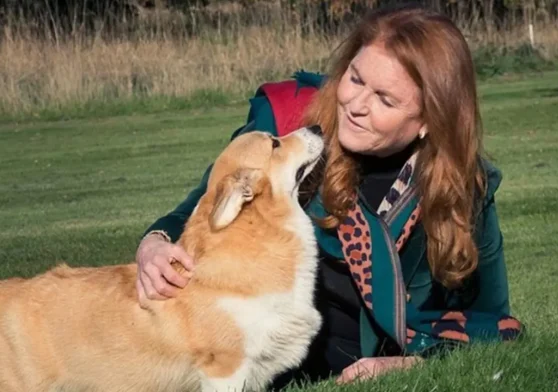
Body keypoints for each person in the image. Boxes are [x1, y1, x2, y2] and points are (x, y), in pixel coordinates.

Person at [134, 3, 524, 388]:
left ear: (428, 121)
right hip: (267, 364)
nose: (355, 105)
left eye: (385, 100)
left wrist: (410, 365)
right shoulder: (287, 128)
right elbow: (203, 203)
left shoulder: (463, 186)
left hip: (376, 365)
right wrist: (155, 242)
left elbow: (494, 324)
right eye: (354, 79)